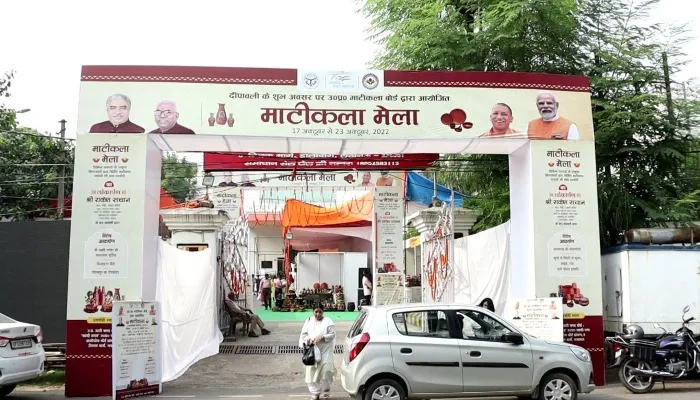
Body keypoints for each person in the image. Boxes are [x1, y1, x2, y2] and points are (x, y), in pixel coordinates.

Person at [299, 305, 336, 400]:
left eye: (320, 312)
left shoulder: (328, 321)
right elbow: (304, 334)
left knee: (326, 371)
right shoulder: (309, 321)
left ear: (323, 312)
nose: (318, 314)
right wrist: (309, 340)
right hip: (312, 351)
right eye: (316, 312)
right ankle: (315, 392)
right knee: (311, 371)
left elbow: (332, 334)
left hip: (325, 350)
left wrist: (323, 337)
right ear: (313, 312)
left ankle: (326, 390)